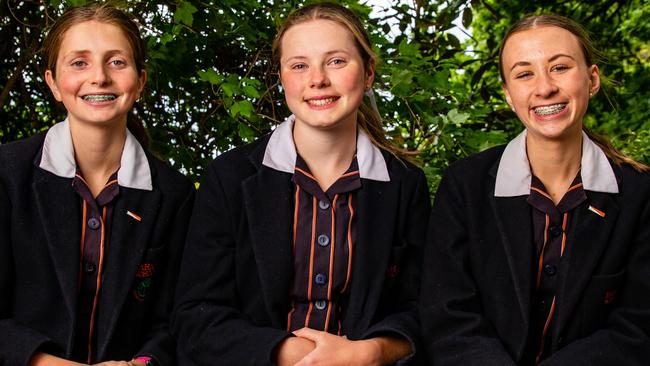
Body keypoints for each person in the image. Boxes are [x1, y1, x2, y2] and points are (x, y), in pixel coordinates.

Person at [172, 3, 430, 365]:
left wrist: (367, 353)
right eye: (299, 65)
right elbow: (195, 316)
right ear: (282, 77)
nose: (317, 79)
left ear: (368, 72)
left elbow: (422, 310)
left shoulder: (405, 185)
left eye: (336, 61)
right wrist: (295, 354)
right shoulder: (229, 177)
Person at [420, 13, 650, 365]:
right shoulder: (464, 186)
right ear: (509, 95)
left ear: (592, 79)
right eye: (524, 74)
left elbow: (638, 324)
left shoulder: (639, 194)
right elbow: (448, 314)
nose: (544, 87)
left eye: (560, 67)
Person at [0, 4, 194, 366]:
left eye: (117, 62)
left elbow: (175, 319)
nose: (100, 77)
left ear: (140, 81)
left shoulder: (175, 195)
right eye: (79, 63)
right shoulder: (7, 173)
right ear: (53, 83)